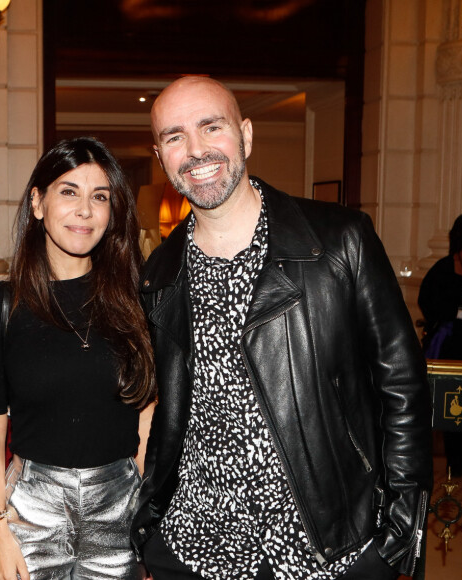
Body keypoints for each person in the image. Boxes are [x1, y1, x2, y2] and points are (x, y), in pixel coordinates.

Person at [131, 76, 433, 580]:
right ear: (160, 155)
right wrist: (152, 531)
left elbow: (402, 384)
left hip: (327, 548)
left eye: (212, 127)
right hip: (194, 547)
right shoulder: (159, 274)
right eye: (175, 136)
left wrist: (400, 527)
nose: (196, 149)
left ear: (245, 135)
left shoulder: (339, 241)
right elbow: (163, 411)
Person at [0, 136, 156, 580]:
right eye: (68, 192)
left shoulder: (139, 303)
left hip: (120, 511)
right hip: (30, 513)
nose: (85, 210)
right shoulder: (1, 306)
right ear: (37, 203)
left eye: (100, 197)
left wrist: (151, 526)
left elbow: (146, 421)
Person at [418, 212, 462, 476]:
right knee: (454, 401)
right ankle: (456, 461)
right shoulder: (444, 268)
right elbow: (427, 301)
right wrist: (451, 315)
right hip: (451, 347)